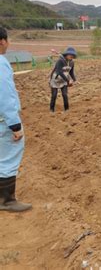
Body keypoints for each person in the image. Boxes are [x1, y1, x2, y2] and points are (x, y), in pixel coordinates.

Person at [0, 27, 32, 212]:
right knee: (9, 156)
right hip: (3, 120)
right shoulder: (1, 63)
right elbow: (4, 95)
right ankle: (6, 200)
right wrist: (14, 124)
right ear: (2, 41)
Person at [49, 47, 77, 112]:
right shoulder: (60, 61)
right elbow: (59, 72)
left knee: (65, 94)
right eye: (70, 54)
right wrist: (68, 80)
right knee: (54, 95)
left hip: (64, 80)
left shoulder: (72, 62)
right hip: (55, 79)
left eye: (72, 55)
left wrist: (75, 80)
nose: (71, 56)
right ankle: (51, 110)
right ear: (66, 54)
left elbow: (71, 72)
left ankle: (66, 109)